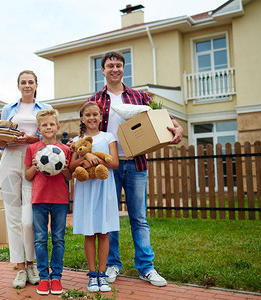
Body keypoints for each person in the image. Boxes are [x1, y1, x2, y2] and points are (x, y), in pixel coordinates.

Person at [88, 51, 183, 287]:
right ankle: (112, 264)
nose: (115, 69)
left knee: (139, 217)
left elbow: (165, 118)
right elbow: (87, 127)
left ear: (123, 68)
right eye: (110, 65)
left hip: (136, 163)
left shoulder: (139, 96)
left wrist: (178, 127)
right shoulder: (96, 99)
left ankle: (146, 267)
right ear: (103, 70)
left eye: (119, 65)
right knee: (110, 218)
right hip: (108, 166)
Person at [0, 70, 51, 289]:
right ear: (18, 86)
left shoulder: (44, 109)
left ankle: (31, 264)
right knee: (13, 217)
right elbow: (1, 140)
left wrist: (33, 138)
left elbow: (49, 136)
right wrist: (0, 140)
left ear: (36, 85)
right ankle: (20, 269)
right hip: (9, 161)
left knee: (28, 220)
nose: (27, 85)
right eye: (23, 82)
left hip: (32, 163)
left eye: (30, 82)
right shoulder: (9, 109)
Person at [69, 102, 120, 293]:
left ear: (101, 117)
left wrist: (96, 159)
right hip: (86, 190)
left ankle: (102, 274)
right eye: (88, 115)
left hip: (103, 188)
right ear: (82, 118)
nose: (92, 118)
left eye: (95, 114)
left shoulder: (109, 137)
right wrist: (85, 158)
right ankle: (92, 276)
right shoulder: (78, 140)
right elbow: (72, 167)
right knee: (89, 232)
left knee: (104, 231)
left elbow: (114, 162)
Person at [24, 108, 72, 295]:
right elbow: (27, 176)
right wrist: (36, 167)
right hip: (39, 199)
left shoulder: (65, 150)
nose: (48, 127)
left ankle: (57, 277)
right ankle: (44, 277)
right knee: (41, 238)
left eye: (52, 124)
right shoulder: (32, 149)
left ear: (58, 126)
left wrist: (65, 168)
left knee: (58, 239)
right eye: (44, 125)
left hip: (60, 199)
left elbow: (69, 176)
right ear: (39, 128)